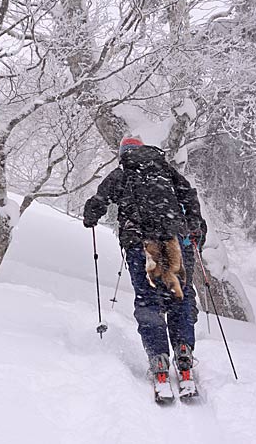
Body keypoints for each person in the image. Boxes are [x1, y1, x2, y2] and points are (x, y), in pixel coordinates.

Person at [83, 136, 207, 397]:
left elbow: (99, 202)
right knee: (179, 295)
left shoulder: (122, 173)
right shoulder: (166, 170)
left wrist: (91, 215)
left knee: (149, 300)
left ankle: (159, 356)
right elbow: (190, 198)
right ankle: (184, 348)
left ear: (123, 153)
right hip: (176, 239)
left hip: (141, 242)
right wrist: (195, 227)